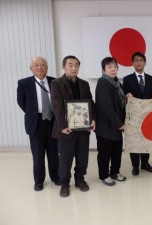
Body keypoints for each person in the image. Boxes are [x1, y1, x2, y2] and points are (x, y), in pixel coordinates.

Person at [51, 55, 95, 197]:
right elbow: (56, 106)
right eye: (70, 65)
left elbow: (90, 103)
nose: (73, 67)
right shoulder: (56, 83)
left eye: (76, 65)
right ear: (63, 66)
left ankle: (80, 179)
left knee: (83, 157)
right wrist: (63, 125)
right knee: (65, 158)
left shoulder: (84, 84)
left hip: (82, 128)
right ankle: (64, 183)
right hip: (66, 129)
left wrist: (93, 119)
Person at [17, 57, 59, 191]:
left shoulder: (54, 82)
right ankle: (39, 181)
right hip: (36, 122)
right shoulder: (24, 83)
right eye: (36, 65)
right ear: (31, 68)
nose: (39, 67)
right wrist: (34, 113)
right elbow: (21, 102)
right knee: (38, 153)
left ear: (47, 67)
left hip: (52, 121)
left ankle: (56, 176)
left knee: (53, 152)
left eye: (42, 65)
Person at [123, 52, 152, 176]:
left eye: (141, 60)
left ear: (145, 62)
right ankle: (135, 166)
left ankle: (145, 164)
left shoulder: (151, 78)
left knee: (146, 140)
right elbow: (124, 94)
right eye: (136, 60)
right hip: (134, 116)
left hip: (148, 116)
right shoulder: (127, 79)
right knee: (135, 141)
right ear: (132, 64)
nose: (138, 62)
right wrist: (127, 95)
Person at [95, 57, 126, 186]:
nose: (113, 69)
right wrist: (119, 124)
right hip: (106, 126)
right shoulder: (103, 83)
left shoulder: (117, 83)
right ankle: (104, 175)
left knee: (116, 151)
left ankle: (115, 172)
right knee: (105, 152)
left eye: (115, 67)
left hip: (117, 124)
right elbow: (107, 107)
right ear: (103, 69)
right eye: (109, 67)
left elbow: (122, 103)